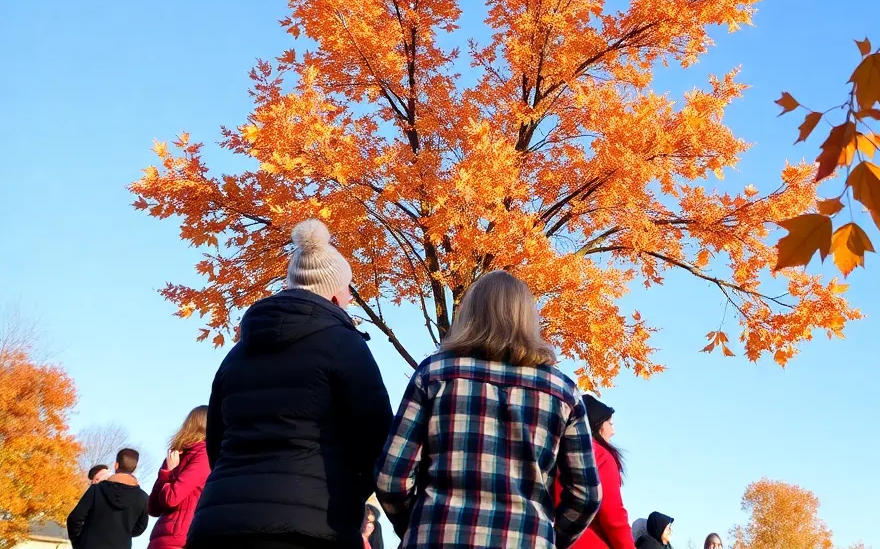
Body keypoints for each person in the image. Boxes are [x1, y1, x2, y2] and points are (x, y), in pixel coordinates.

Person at [186, 219, 393, 549]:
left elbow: (216, 438)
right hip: (311, 524)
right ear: (335, 295)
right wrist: (350, 494)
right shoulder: (345, 345)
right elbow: (376, 437)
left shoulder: (237, 353)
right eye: (348, 291)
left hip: (219, 520)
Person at [375, 271, 602, 549]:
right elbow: (586, 495)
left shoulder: (434, 375)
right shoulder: (563, 392)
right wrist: (547, 536)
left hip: (437, 535)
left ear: (469, 314)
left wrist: (417, 524)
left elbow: (391, 478)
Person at [561, 396, 632, 549]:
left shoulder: (556, 449)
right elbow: (613, 515)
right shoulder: (600, 456)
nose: (613, 431)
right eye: (610, 424)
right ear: (598, 424)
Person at [147, 406, 211, 549]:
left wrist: (166, 473)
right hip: (180, 537)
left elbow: (153, 508)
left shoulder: (175, 455)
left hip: (161, 537)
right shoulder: (204, 454)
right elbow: (167, 500)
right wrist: (166, 473)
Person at [67, 448, 149, 549]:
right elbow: (140, 527)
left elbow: (75, 518)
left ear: (116, 465)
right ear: (134, 468)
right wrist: (123, 534)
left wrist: (78, 542)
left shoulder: (96, 489)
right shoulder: (143, 498)